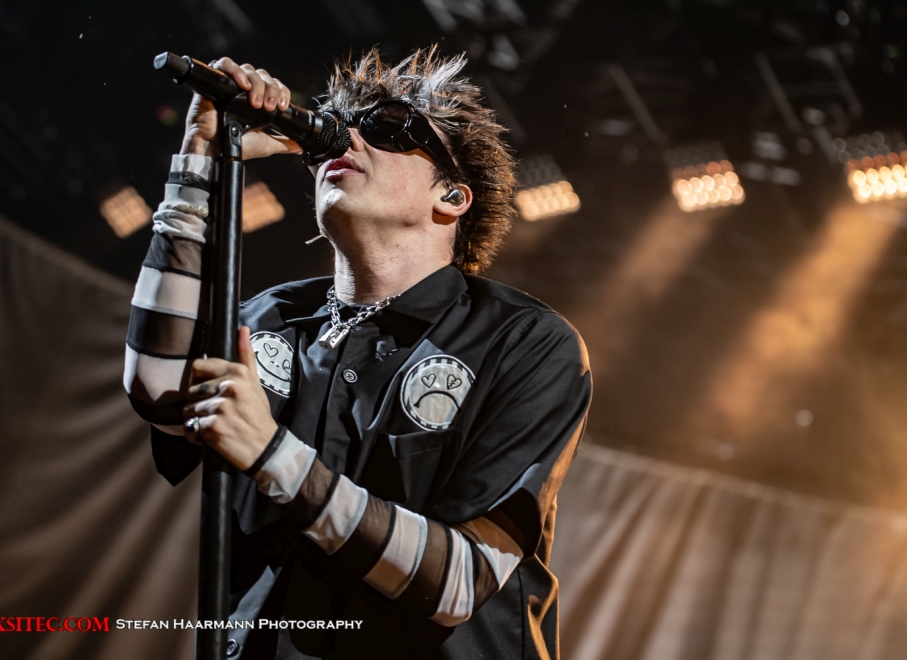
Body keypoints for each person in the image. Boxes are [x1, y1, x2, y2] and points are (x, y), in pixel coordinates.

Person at [124, 45, 591, 660]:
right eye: (339, 127)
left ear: (452, 198)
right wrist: (199, 159)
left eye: (390, 129)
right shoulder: (270, 317)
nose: (347, 139)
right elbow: (158, 393)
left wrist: (272, 455)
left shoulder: (524, 342)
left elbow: (460, 581)